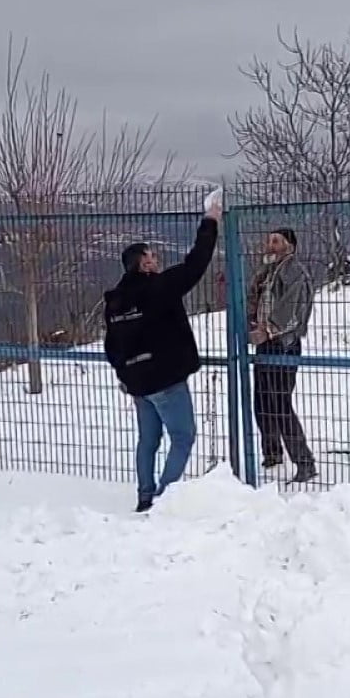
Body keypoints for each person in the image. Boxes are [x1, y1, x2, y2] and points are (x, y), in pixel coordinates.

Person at [104, 193, 222, 512]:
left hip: (138, 383)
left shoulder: (115, 300)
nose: (156, 261)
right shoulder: (159, 286)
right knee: (183, 437)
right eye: (152, 257)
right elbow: (196, 263)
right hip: (166, 379)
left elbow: (111, 346)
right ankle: (165, 497)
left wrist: (125, 375)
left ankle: (145, 494)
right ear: (144, 264)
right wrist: (210, 221)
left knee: (149, 441)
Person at [248, 228, 316, 483]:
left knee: (280, 403)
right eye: (268, 240)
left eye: (276, 241)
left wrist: (269, 329)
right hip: (265, 343)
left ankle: (304, 462)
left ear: (290, 245)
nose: (270, 245)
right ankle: (272, 453)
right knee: (262, 402)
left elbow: (293, 309)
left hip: (283, 344)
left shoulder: (294, 272)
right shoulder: (267, 272)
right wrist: (253, 328)